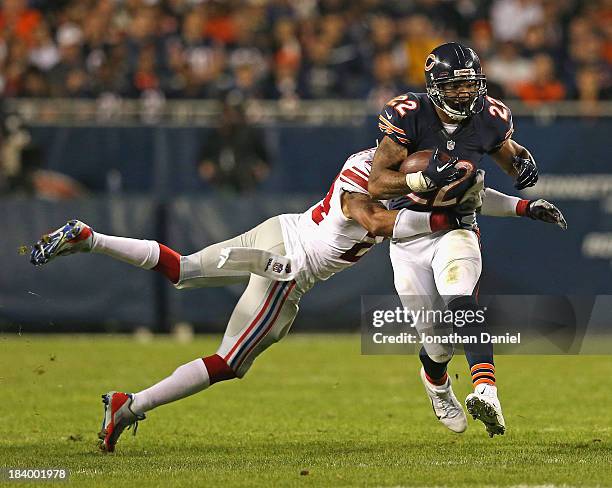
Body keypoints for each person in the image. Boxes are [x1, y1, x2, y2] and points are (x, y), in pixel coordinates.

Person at [28, 142, 565, 451]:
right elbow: (376, 221)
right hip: (286, 266)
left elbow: (452, 195)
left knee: (186, 271)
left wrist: (514, 207)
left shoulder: (396, 171)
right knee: (229, 361)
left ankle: (90, 238)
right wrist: (449, 214)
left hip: (278, 233)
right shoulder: (367, 177)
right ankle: (129, 404)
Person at [367, 42, 542, 437]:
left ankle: (486, 389)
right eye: (453, 85)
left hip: (457, 226)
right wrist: (418, 179)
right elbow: (377, 183)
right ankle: (437, 384)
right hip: (410, 232)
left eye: (469, 84)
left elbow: (509, 153)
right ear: (433, 85)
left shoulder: (489, 117)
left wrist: (523, 164)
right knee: (438, 343)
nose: (464, 93)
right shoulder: (409, 115)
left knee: (461, 297)